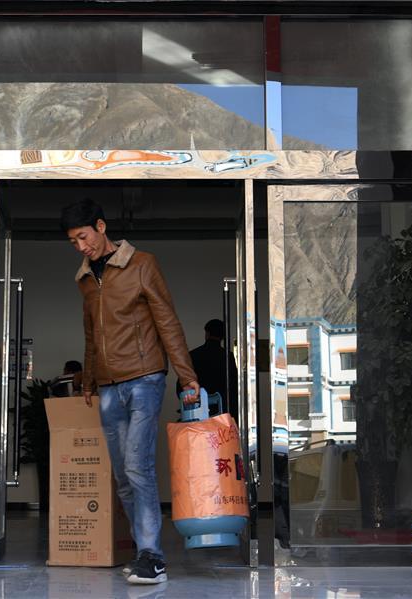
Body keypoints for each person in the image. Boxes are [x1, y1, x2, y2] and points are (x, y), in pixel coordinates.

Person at [61, 198, 199, 585]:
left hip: (145, 377)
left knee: (138, 466)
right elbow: (91, 332)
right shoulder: (85, 279)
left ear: (101, 227)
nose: (81, 246)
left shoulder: (142, 264)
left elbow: (167, 320)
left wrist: (186, 376)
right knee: (123, 475)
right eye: (73, 242)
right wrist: (89, 377)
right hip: (108, 386)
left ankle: (153, 556)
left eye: (84, 237)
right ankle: (143, 552)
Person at [184, 318, 239, 422]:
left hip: (197, 410)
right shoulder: (228, 356)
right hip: (223, 411)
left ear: (207, 333)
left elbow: (182, 385)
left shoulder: (194, 355)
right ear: (222, 337)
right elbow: (234, 385)